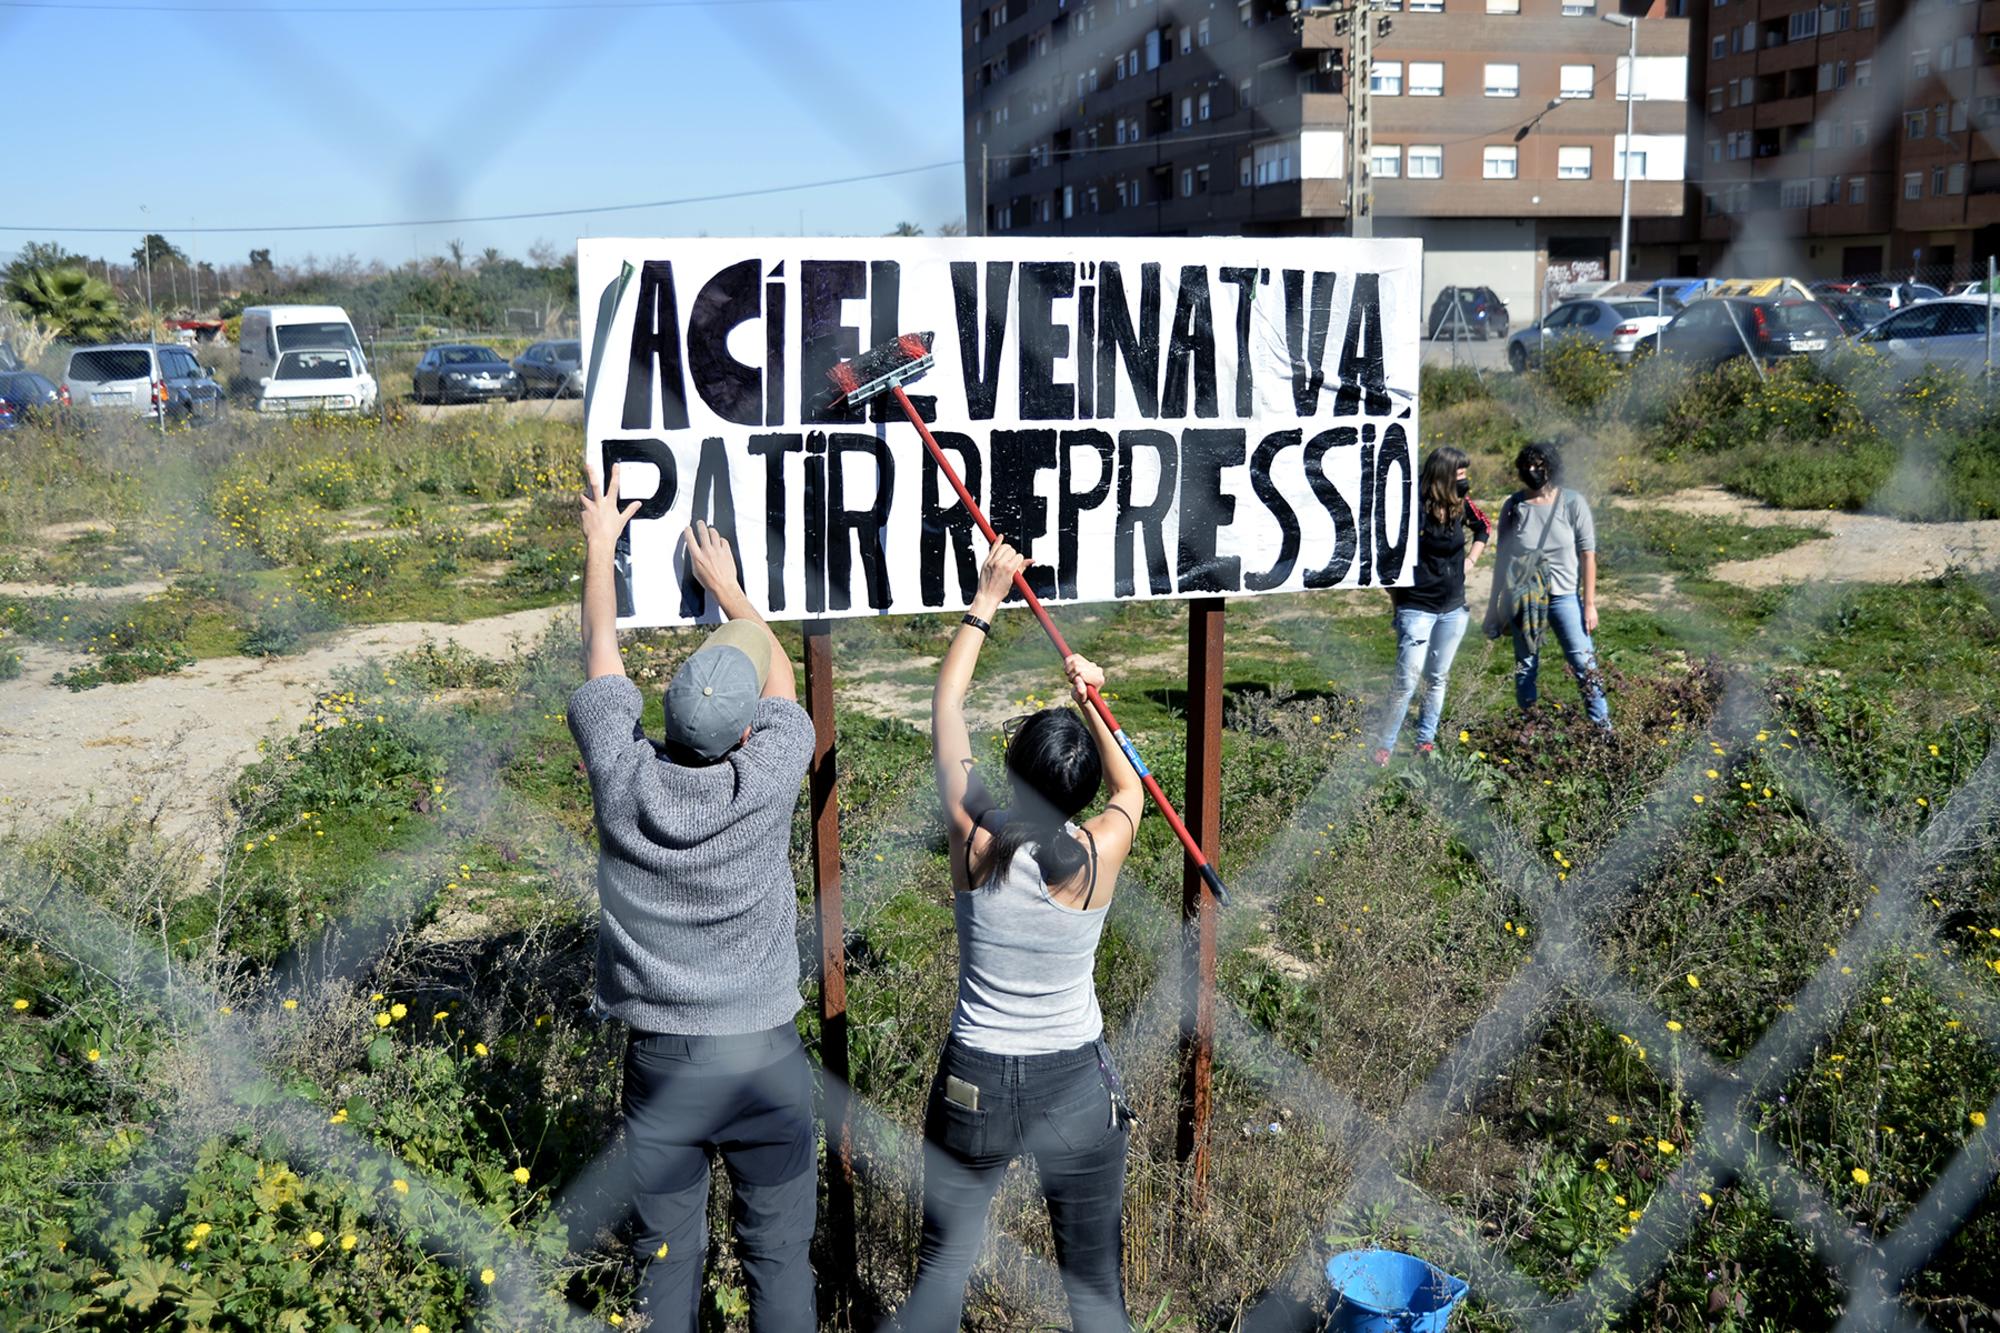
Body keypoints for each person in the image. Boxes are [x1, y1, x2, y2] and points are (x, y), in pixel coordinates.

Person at [568, 464, 818, 1333]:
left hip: (665, 1056)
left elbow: (602, 655)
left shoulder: (623, 780)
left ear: (662, 720)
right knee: (780, 1256)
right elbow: (781, 678)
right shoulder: (769, 775)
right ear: (748, 731)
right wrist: (729, 590)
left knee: (665, 1259)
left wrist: (602, 542)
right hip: (764, 1055)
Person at [893, 539, 1143, 1333]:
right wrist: (1095, 700)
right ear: (1080, 791)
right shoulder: (1100, 853)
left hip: (976, 1076)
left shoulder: (975, 840)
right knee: (1094, 1290)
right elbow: (1132, 784)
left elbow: (946, 706)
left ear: (1009, 768)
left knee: (941, 1273)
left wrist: (988, 595)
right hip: (1072, 1078)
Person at [1482, 442, 1611, 732]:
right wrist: (1493, 608)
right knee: (1526, 666)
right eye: (1527, 466)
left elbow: (1588, 554)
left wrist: (1589, 604)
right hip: (1524, 597)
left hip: (1564, 597)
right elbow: (1502, 562)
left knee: (1584, 665)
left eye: (1539, 466)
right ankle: (1530, 730)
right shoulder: (1514, 506)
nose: (1532, 471)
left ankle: (1603, 731)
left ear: (1551, 467)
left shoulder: (1573, 503)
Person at [1373, 445, 1489, 763]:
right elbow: (1386, 558)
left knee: (1437, 678)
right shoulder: (1413, 510)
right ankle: (1384, 745)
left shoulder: (1460, 504)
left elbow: (1484, 527)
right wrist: (1399, 603)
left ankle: (1426, 741)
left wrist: (1470, 561)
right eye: (1460, 474)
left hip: (1453, 609)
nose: (1465, 480)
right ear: (1442, 476)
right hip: (1417, 608)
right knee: (1406, 682)